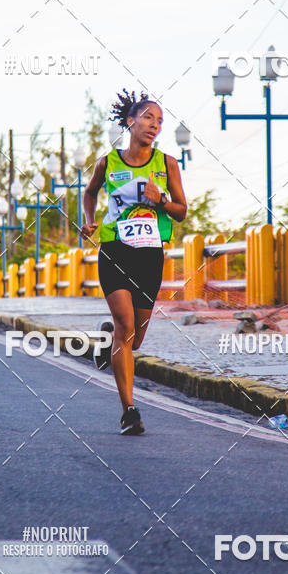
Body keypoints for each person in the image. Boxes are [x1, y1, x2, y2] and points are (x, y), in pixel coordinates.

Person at [82, 90, 187, 435]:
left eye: (159, 121)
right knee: (126, 327)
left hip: (150, 253)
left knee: (134, 339)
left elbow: (182, 212)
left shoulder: (167, 163)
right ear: (130, 121)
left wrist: (162, 201)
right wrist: (89, 220)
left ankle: (109, 337)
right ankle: (129, 410)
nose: (154, 125)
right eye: (147, 118)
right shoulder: (108, 162)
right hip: (115, 249)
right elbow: (90, 192)